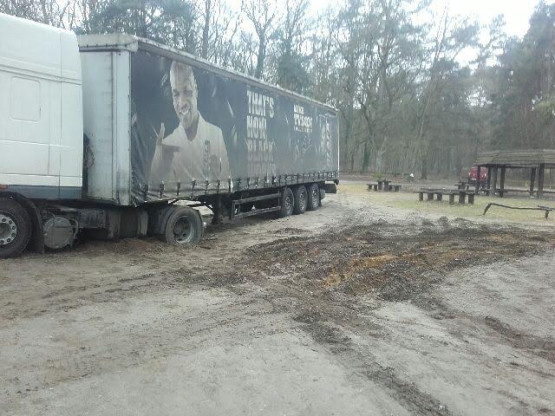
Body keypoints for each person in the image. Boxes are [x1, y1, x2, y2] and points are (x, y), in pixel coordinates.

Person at [150, 61, 230, 189]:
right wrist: (158, 163)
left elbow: (227, 184)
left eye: (187, 92)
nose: (182, 103)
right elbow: (154, 190)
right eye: (176, 94)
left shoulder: (216, 135)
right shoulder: (167, 145)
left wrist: (217, 181)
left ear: (196, 91)